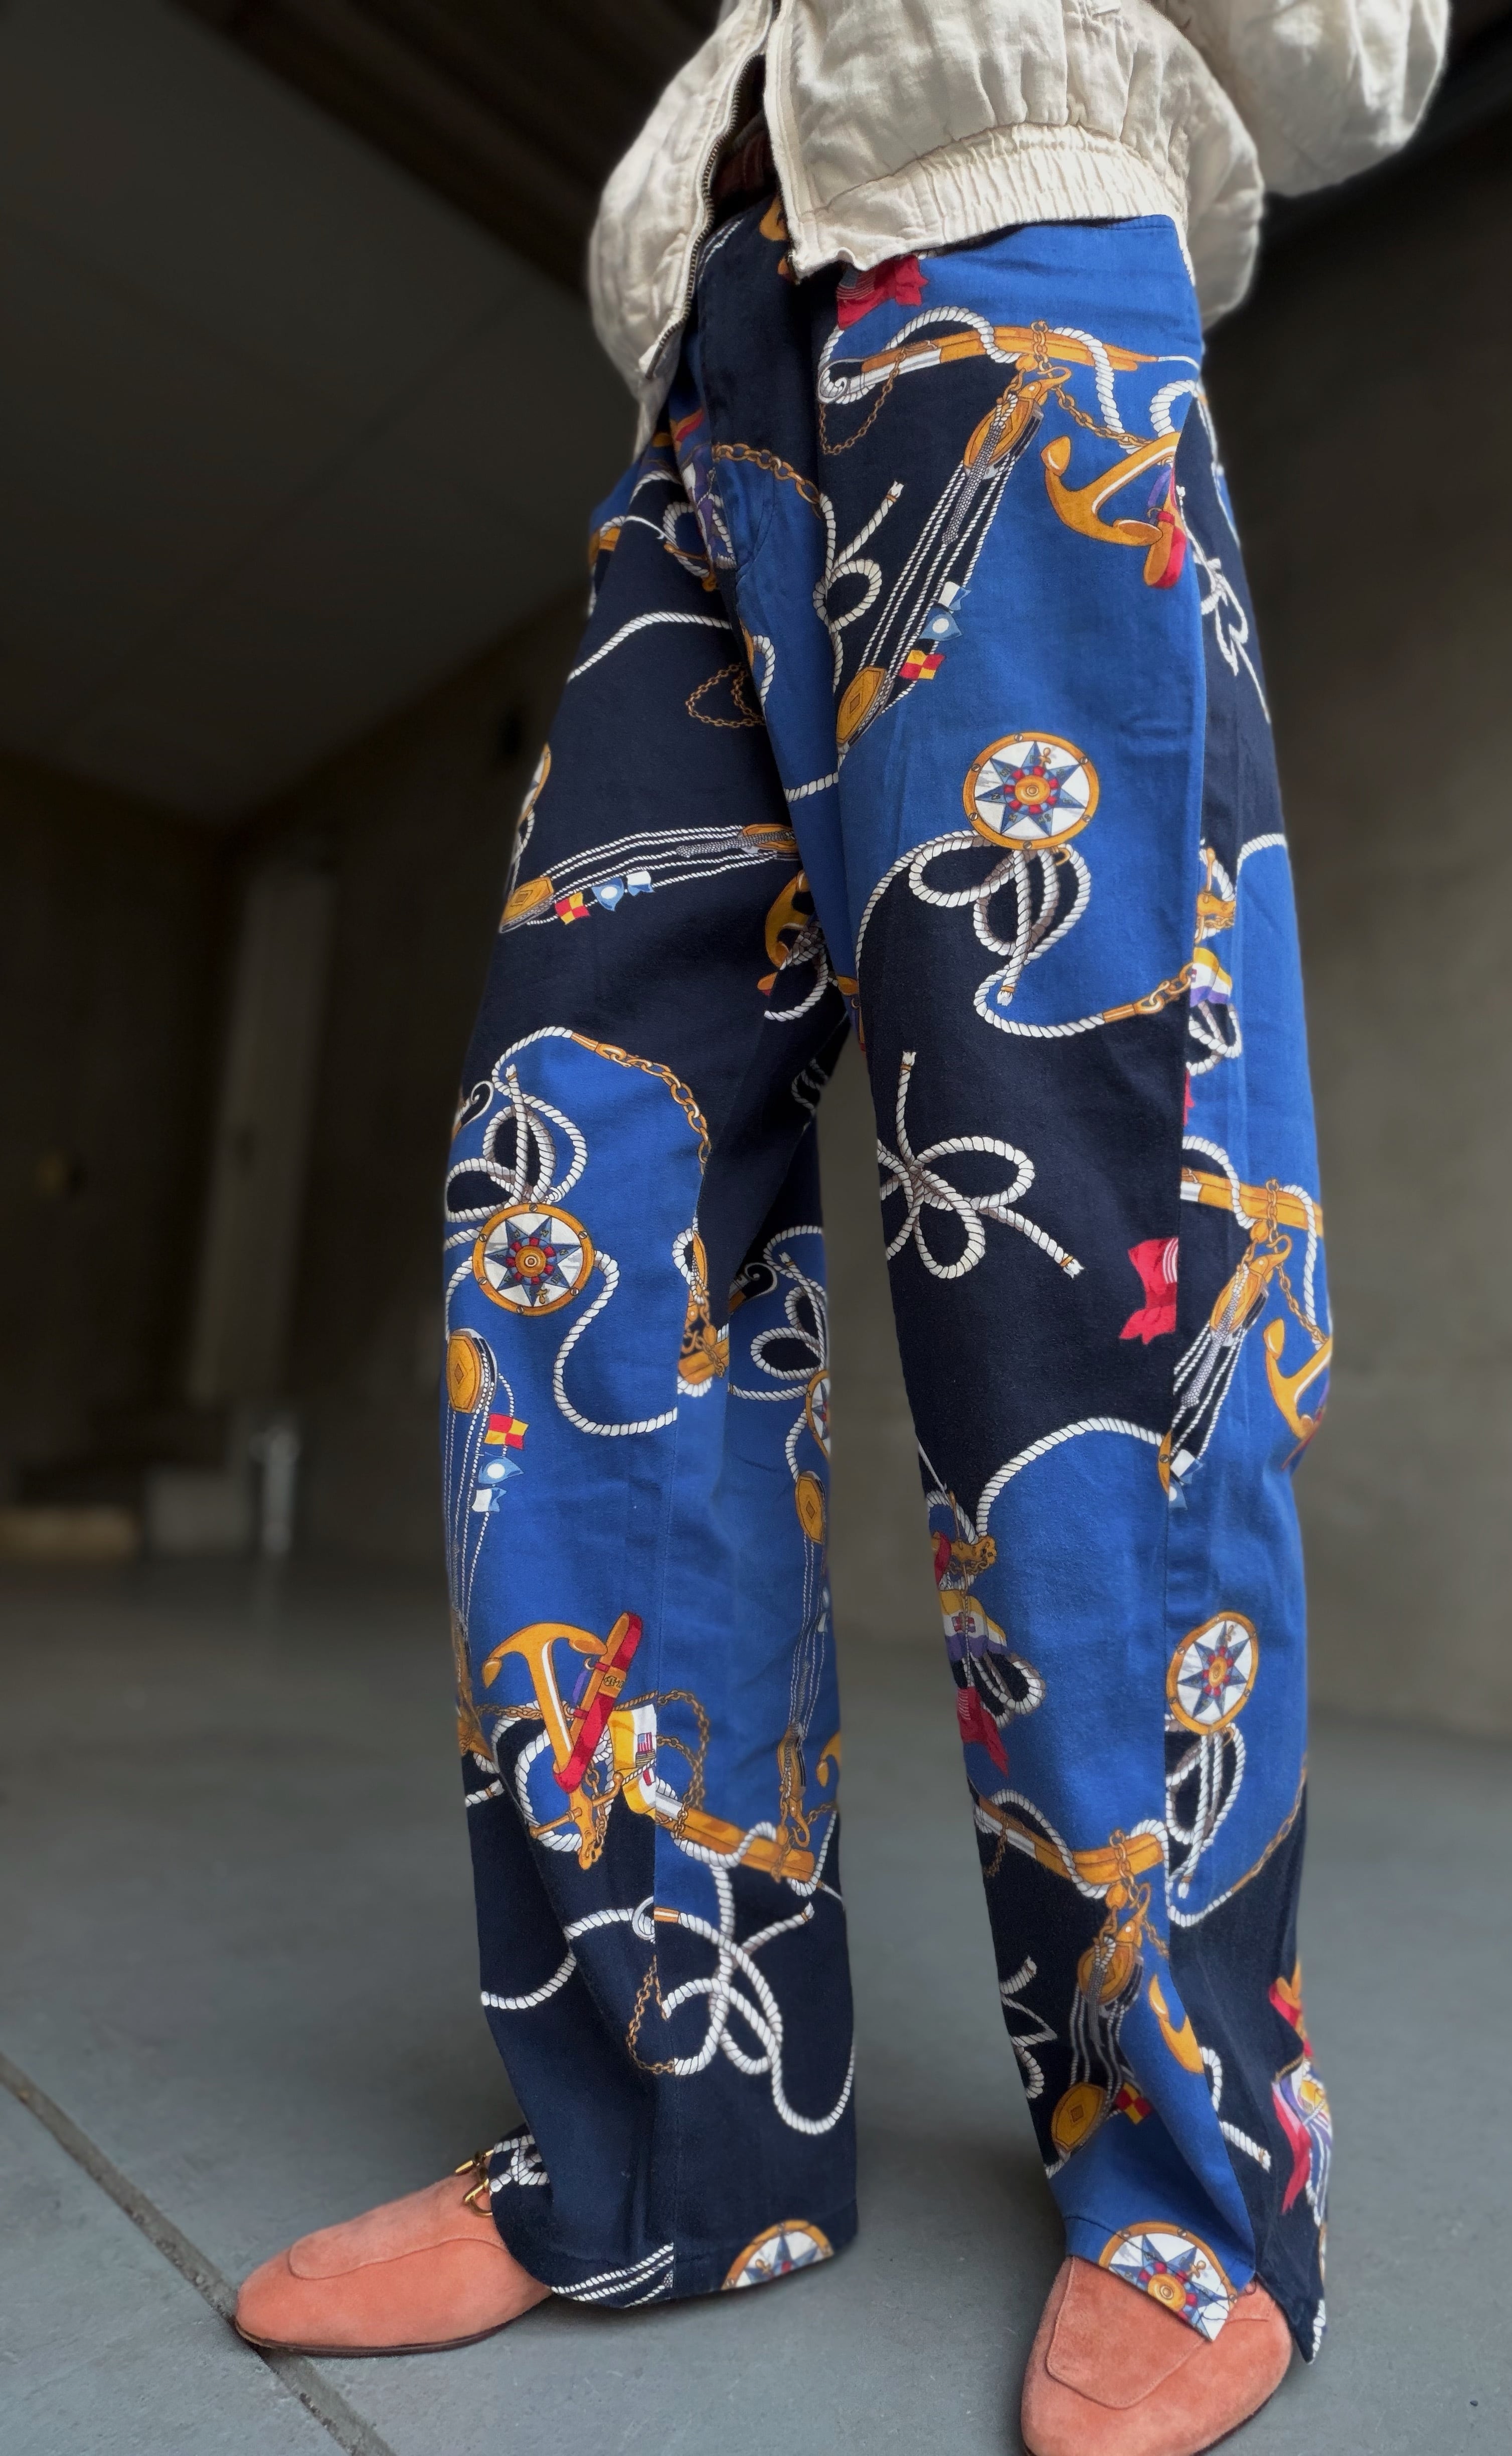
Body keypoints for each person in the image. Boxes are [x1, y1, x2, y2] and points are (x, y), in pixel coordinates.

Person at [234, 5, 1445, 2448]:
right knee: (584, 1194)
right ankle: (665, 2133)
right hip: (711, 405)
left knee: (1092, 1221)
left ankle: (1196, 2175)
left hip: (1014, 288)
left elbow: (1365, 60)